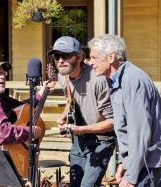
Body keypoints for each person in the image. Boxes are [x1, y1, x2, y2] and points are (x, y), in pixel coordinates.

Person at [88, 34, 161, 187]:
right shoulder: (114, 80)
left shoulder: (133, 80)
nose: (90, 62)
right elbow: (125, 128)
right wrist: (123, 163)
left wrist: (131, 176)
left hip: (147, 163)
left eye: (94, 57)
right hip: (138, 162)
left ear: (111, 58)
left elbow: (140, 133)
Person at [47, 36, 116, 187]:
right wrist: (65, 116)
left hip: (101, 140)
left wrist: (79, 129)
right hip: (79, 141)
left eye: (65, 55)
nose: (60, 61)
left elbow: (112, 122)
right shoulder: (62, 76)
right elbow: (71, 102)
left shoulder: (98, 79)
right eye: (56, 56)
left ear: (79, 57)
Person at [0, 55, 52, 146]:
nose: (2, 77)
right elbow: (1, 133)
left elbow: (20, 108)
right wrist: (32, 131)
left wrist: (41, 93)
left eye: (3, 73)